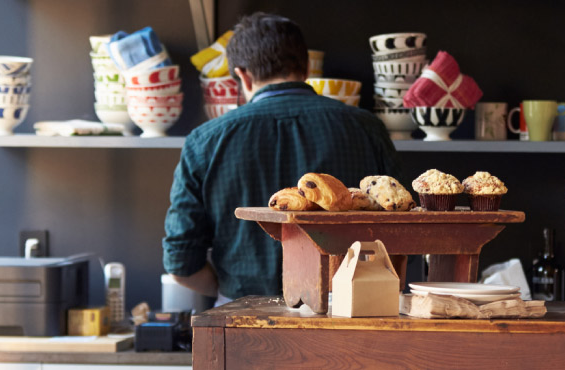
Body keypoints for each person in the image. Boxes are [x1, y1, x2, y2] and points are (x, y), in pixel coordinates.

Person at [162, 13, 401, 304]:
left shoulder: (204, 141)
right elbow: (400, 235)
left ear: (242, 75)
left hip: (243, 316)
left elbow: (180, 261)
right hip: (347, 313)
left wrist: (232, 293)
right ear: (307, 67)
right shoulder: (367, 128)